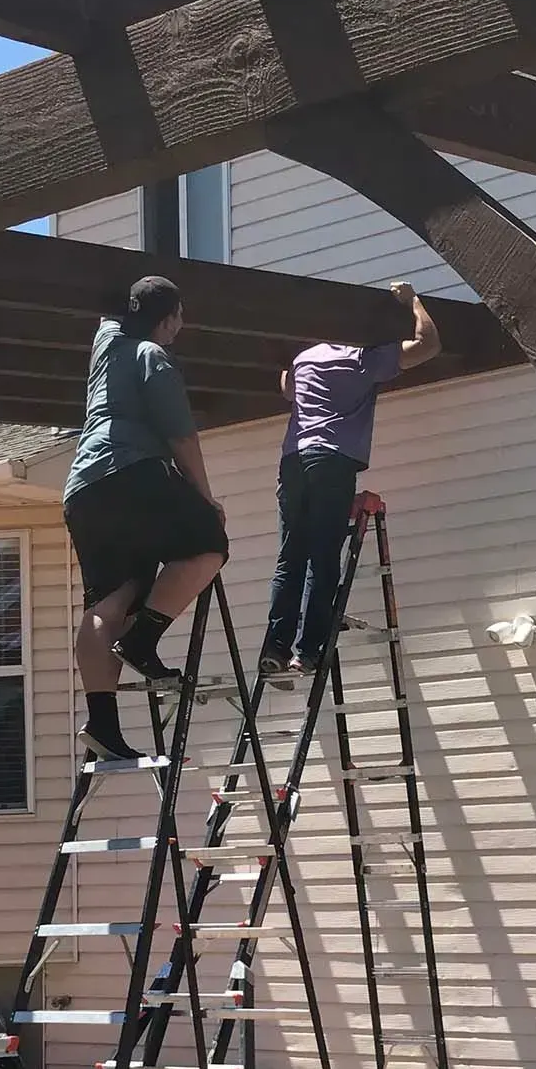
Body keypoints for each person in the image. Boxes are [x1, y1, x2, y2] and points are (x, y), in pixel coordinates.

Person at [61, 274, 228, 762]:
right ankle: (143, 642)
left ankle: (103, 725)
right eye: (178, 318)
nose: (179, 328)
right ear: (169, 316)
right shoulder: (152, 356)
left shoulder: (106, 344)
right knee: (209, 544)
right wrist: (206, 498)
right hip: (130, 473)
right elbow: (181, 438)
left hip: (84, 491)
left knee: (112, 598)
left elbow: (108, 314)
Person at [260, 280, 439, 680]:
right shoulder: (361, 358)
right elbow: (428, 345)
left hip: (293, 459)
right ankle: (307, 652)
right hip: (331, 461)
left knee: (291, 557)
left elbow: (288, 388)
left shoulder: (306, 357)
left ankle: (275, 646)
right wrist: (413, 301)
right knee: (323, 561)